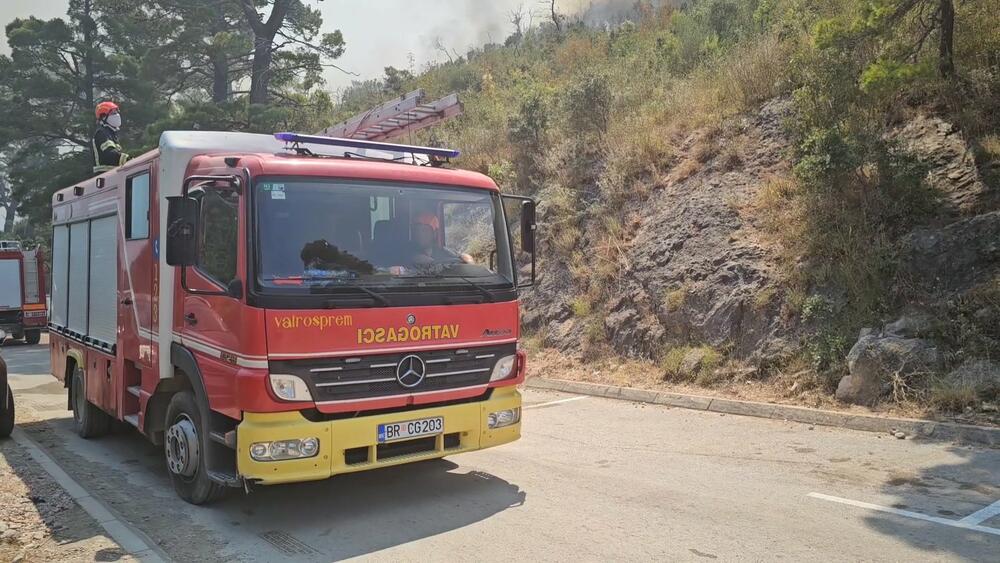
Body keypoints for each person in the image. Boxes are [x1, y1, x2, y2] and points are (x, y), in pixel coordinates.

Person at [92, 101, 129, 173]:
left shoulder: (111, 134)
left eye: (117, 112)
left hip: (113, 174)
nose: (117, 115)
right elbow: (109, 155)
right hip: (104, 174)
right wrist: (127, 158)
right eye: (113, 113)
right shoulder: (101, 133)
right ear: (103, 117)